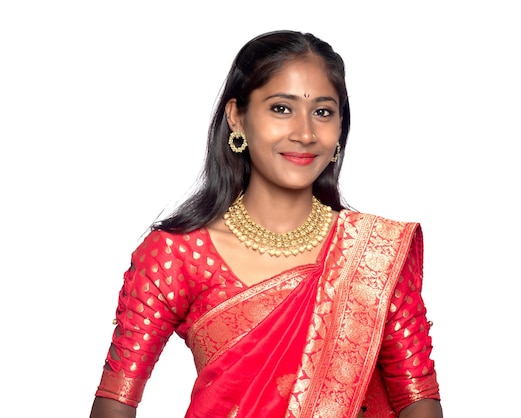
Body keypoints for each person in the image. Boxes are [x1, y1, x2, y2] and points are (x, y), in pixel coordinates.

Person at [89, 30, 443, 418]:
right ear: (237, 118)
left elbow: (417, 398)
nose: (305, 133)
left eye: (323, 112)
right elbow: (115, 401)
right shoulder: (176, 254)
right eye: (281, 108)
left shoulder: (375, 253)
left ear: (340, 126)